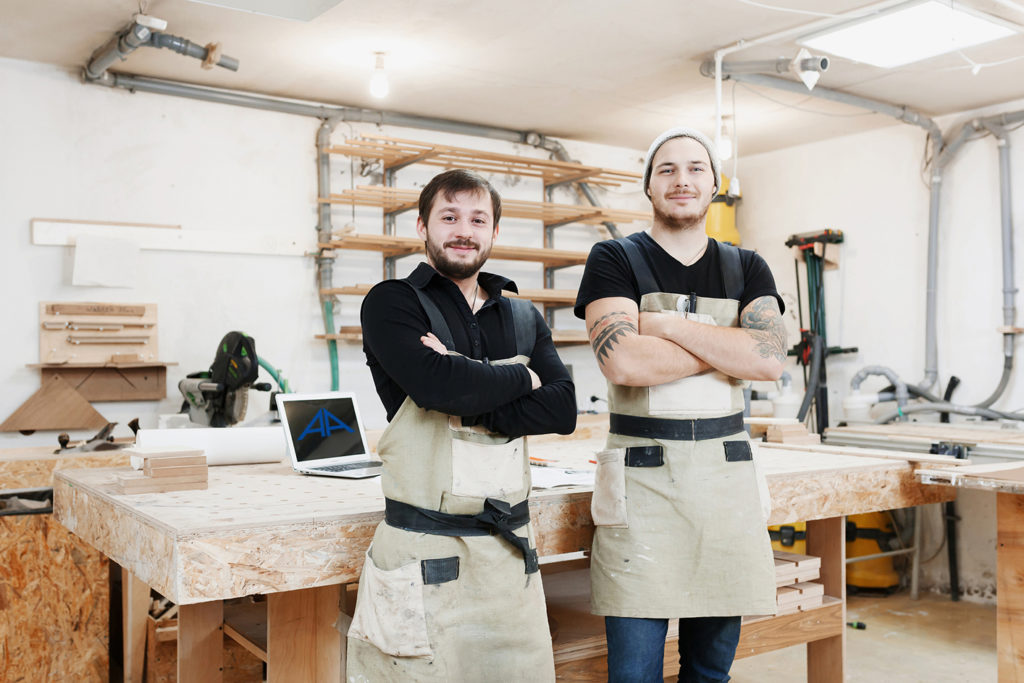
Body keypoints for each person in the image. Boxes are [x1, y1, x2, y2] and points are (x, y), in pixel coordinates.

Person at [574, 127, 787, 683]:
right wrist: (725, 344)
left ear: (715, 184)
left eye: (695, 168)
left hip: (725, 480)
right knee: (634, 673)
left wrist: (667, 325)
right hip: (642, 483)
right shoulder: (613, 258)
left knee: (710, 671)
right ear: (647, 185)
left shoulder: (748, 267)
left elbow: (768, 360)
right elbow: (624, 363)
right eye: (666, 169)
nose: (682, 180)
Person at [348, 168, 577, 681]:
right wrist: (523, 376)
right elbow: (434, 388)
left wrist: (461, 379)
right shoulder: (393, 302)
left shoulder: (522, 317)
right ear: (422, 227)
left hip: (508, 556)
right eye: (448, 216)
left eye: (478, 219)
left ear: (495, 232)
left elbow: (562, 411)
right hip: (423, 552)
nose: (463, 230)